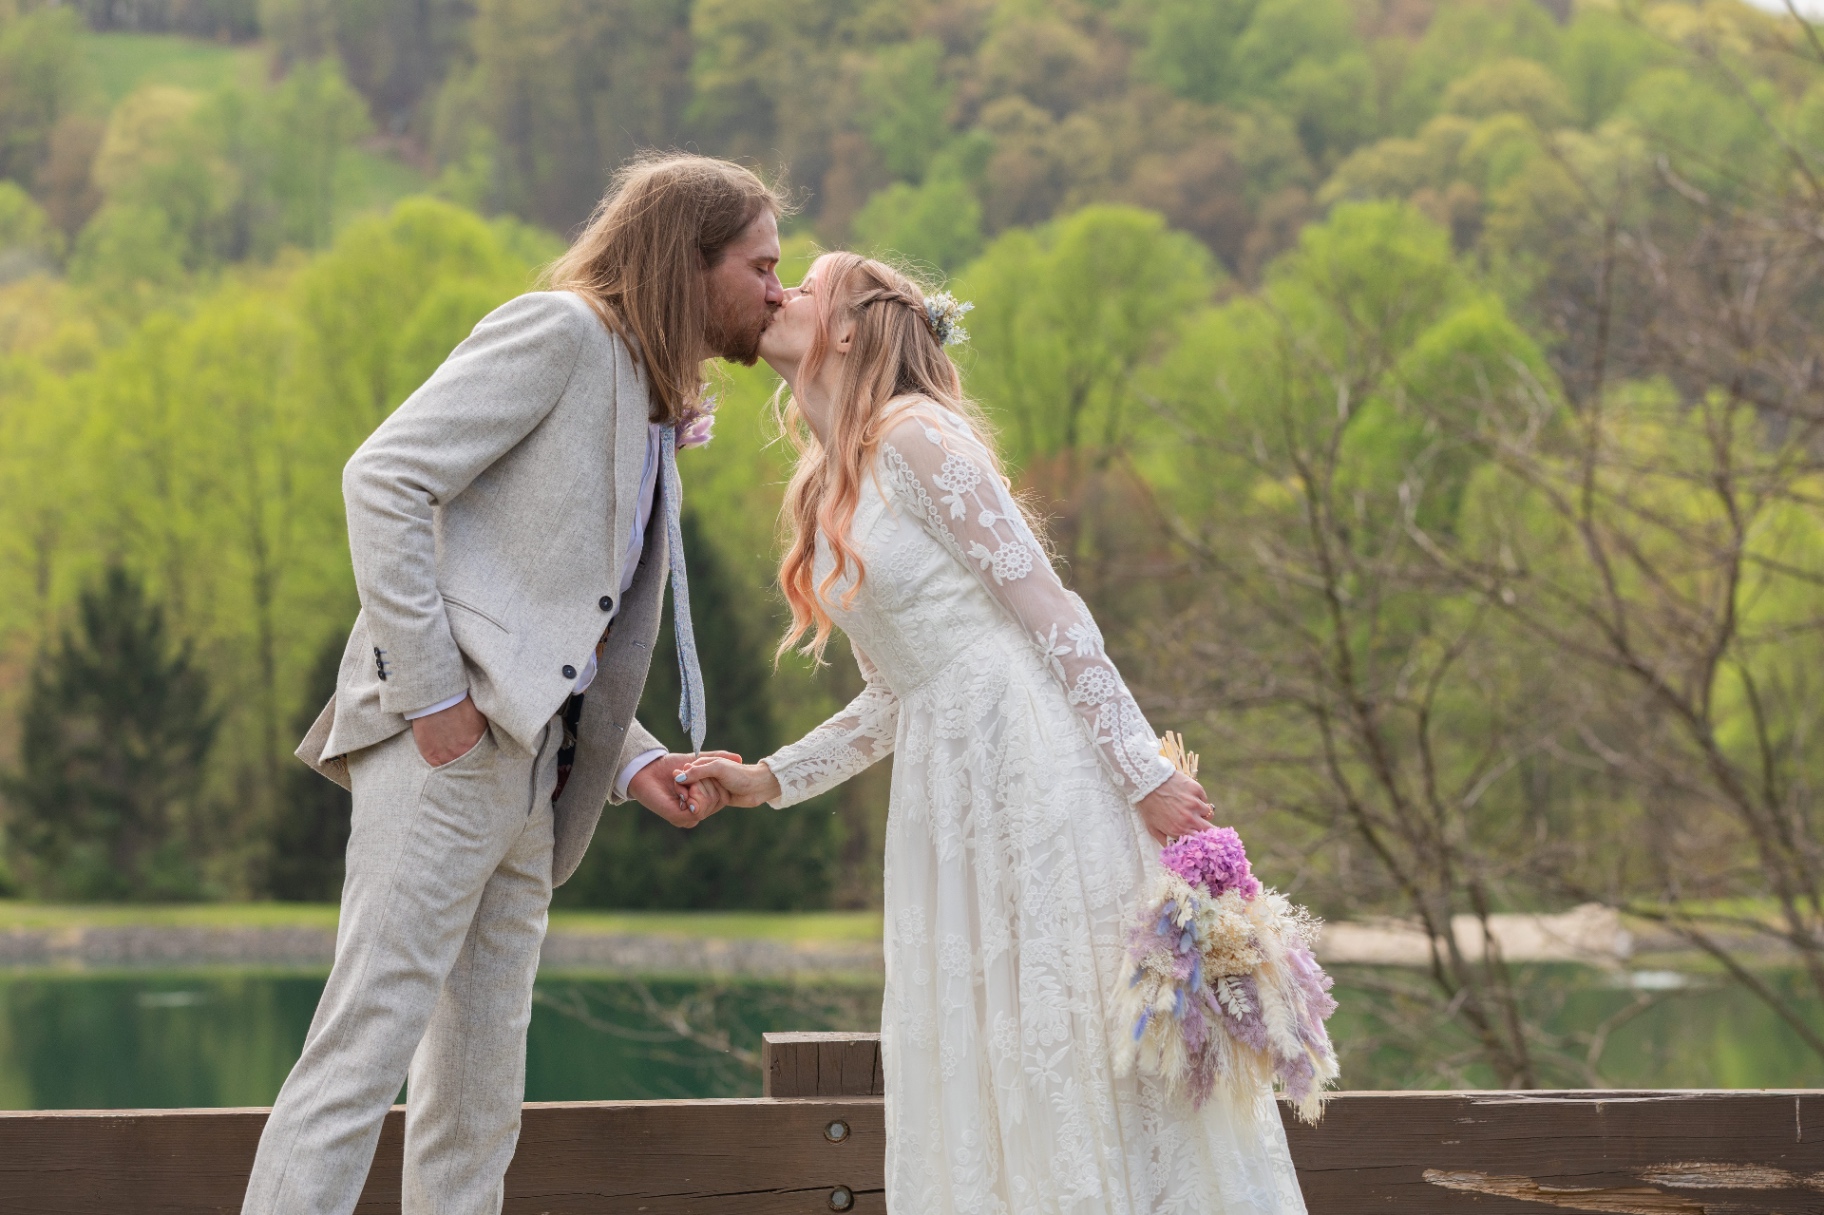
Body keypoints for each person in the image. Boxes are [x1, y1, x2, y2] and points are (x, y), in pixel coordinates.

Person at [678, 254, 1310, 1213]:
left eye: (806, 285)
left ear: (850, 329)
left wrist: (1142, 771)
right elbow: (894, 694)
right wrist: (768, 778)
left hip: (1033, 765)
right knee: (986, 1043)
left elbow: (1050, 610)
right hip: (946, 788)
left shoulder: (918, 435)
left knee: (1065, 1031)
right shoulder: (830, 484)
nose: (783, 296)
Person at [242, 153, 781, 1215]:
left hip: (536, 776)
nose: (776, 289)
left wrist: (633, 764)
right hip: (448, 751)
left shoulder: (642, 392)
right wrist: (432, 697)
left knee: (479, 1100)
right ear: (691, 258)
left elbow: (552, 621)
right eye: (761, 265)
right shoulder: (561, 333)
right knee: (361, 1056)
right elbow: (382, 478)